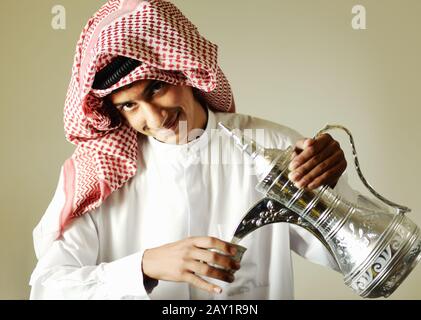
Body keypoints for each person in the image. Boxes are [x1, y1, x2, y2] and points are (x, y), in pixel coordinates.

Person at [30, 0, 355, 300]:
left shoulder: (273, 146)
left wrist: (329, 186)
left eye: (157, 87)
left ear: (185, 71)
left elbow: (352, 259)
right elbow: (49, 289)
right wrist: (143, 266)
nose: (154, 117)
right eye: (130, 105)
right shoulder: (99, 176)